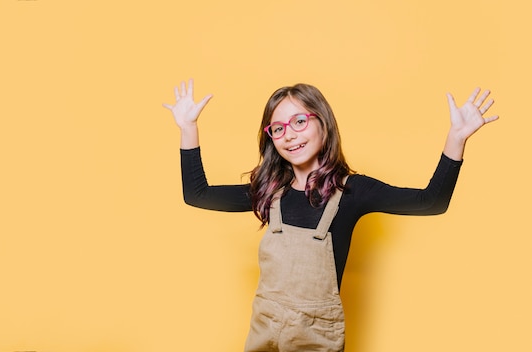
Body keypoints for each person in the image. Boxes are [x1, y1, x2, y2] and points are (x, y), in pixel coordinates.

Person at [162, 79, 498, 352]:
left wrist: (456, 138)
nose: (289, 135)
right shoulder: (268, 192)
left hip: (315, 340)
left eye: (299, 121)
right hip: (263, 335)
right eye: (277, 129)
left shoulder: (353, 192)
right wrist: (188, 127)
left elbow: (431, 202)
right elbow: (198, 195)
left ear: (324, 123)